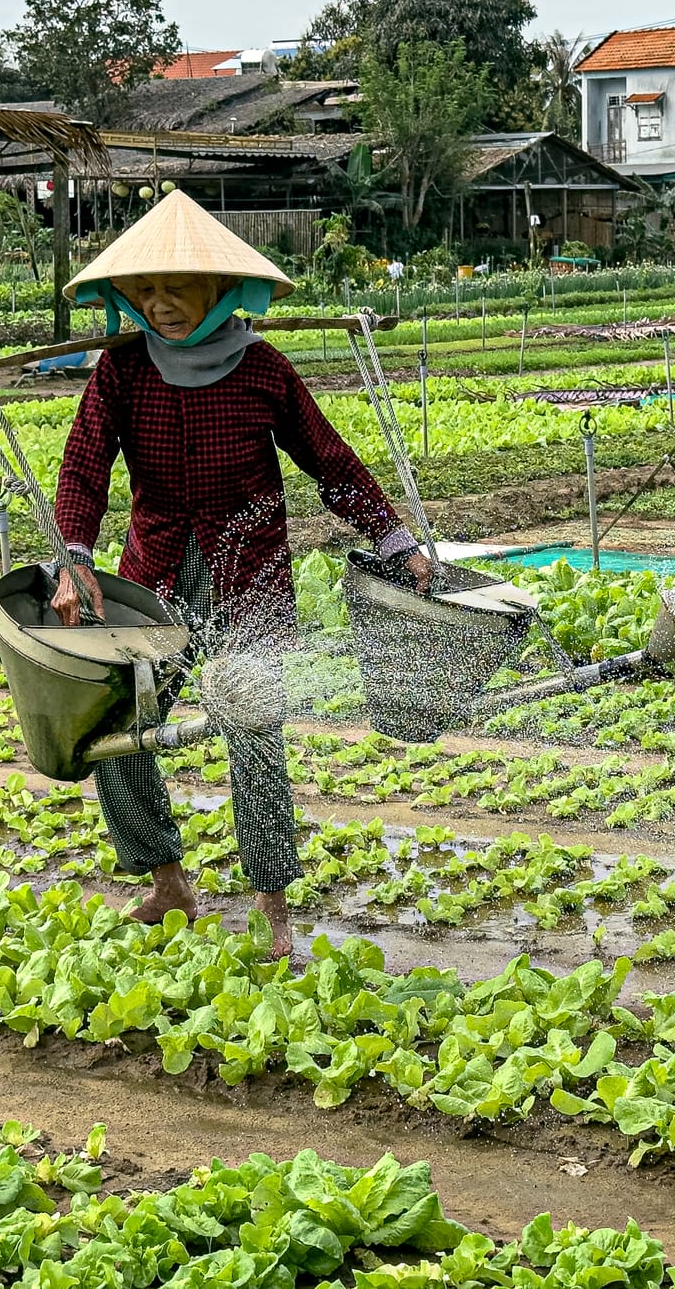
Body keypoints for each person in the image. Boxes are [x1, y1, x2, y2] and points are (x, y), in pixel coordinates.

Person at [50, 190, 433, 958]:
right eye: (145, 291)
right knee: (118, 727)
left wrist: (394, 538)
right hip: (152, 572)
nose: (159, 305)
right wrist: (73, 559)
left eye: (176, 289)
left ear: (221, 291)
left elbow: (328, 458)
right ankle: (166, 879)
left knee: (254, 733)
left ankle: (271, 898)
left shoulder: (263, 369)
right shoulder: (122, 372)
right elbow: (85, 465)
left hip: (248, 575)